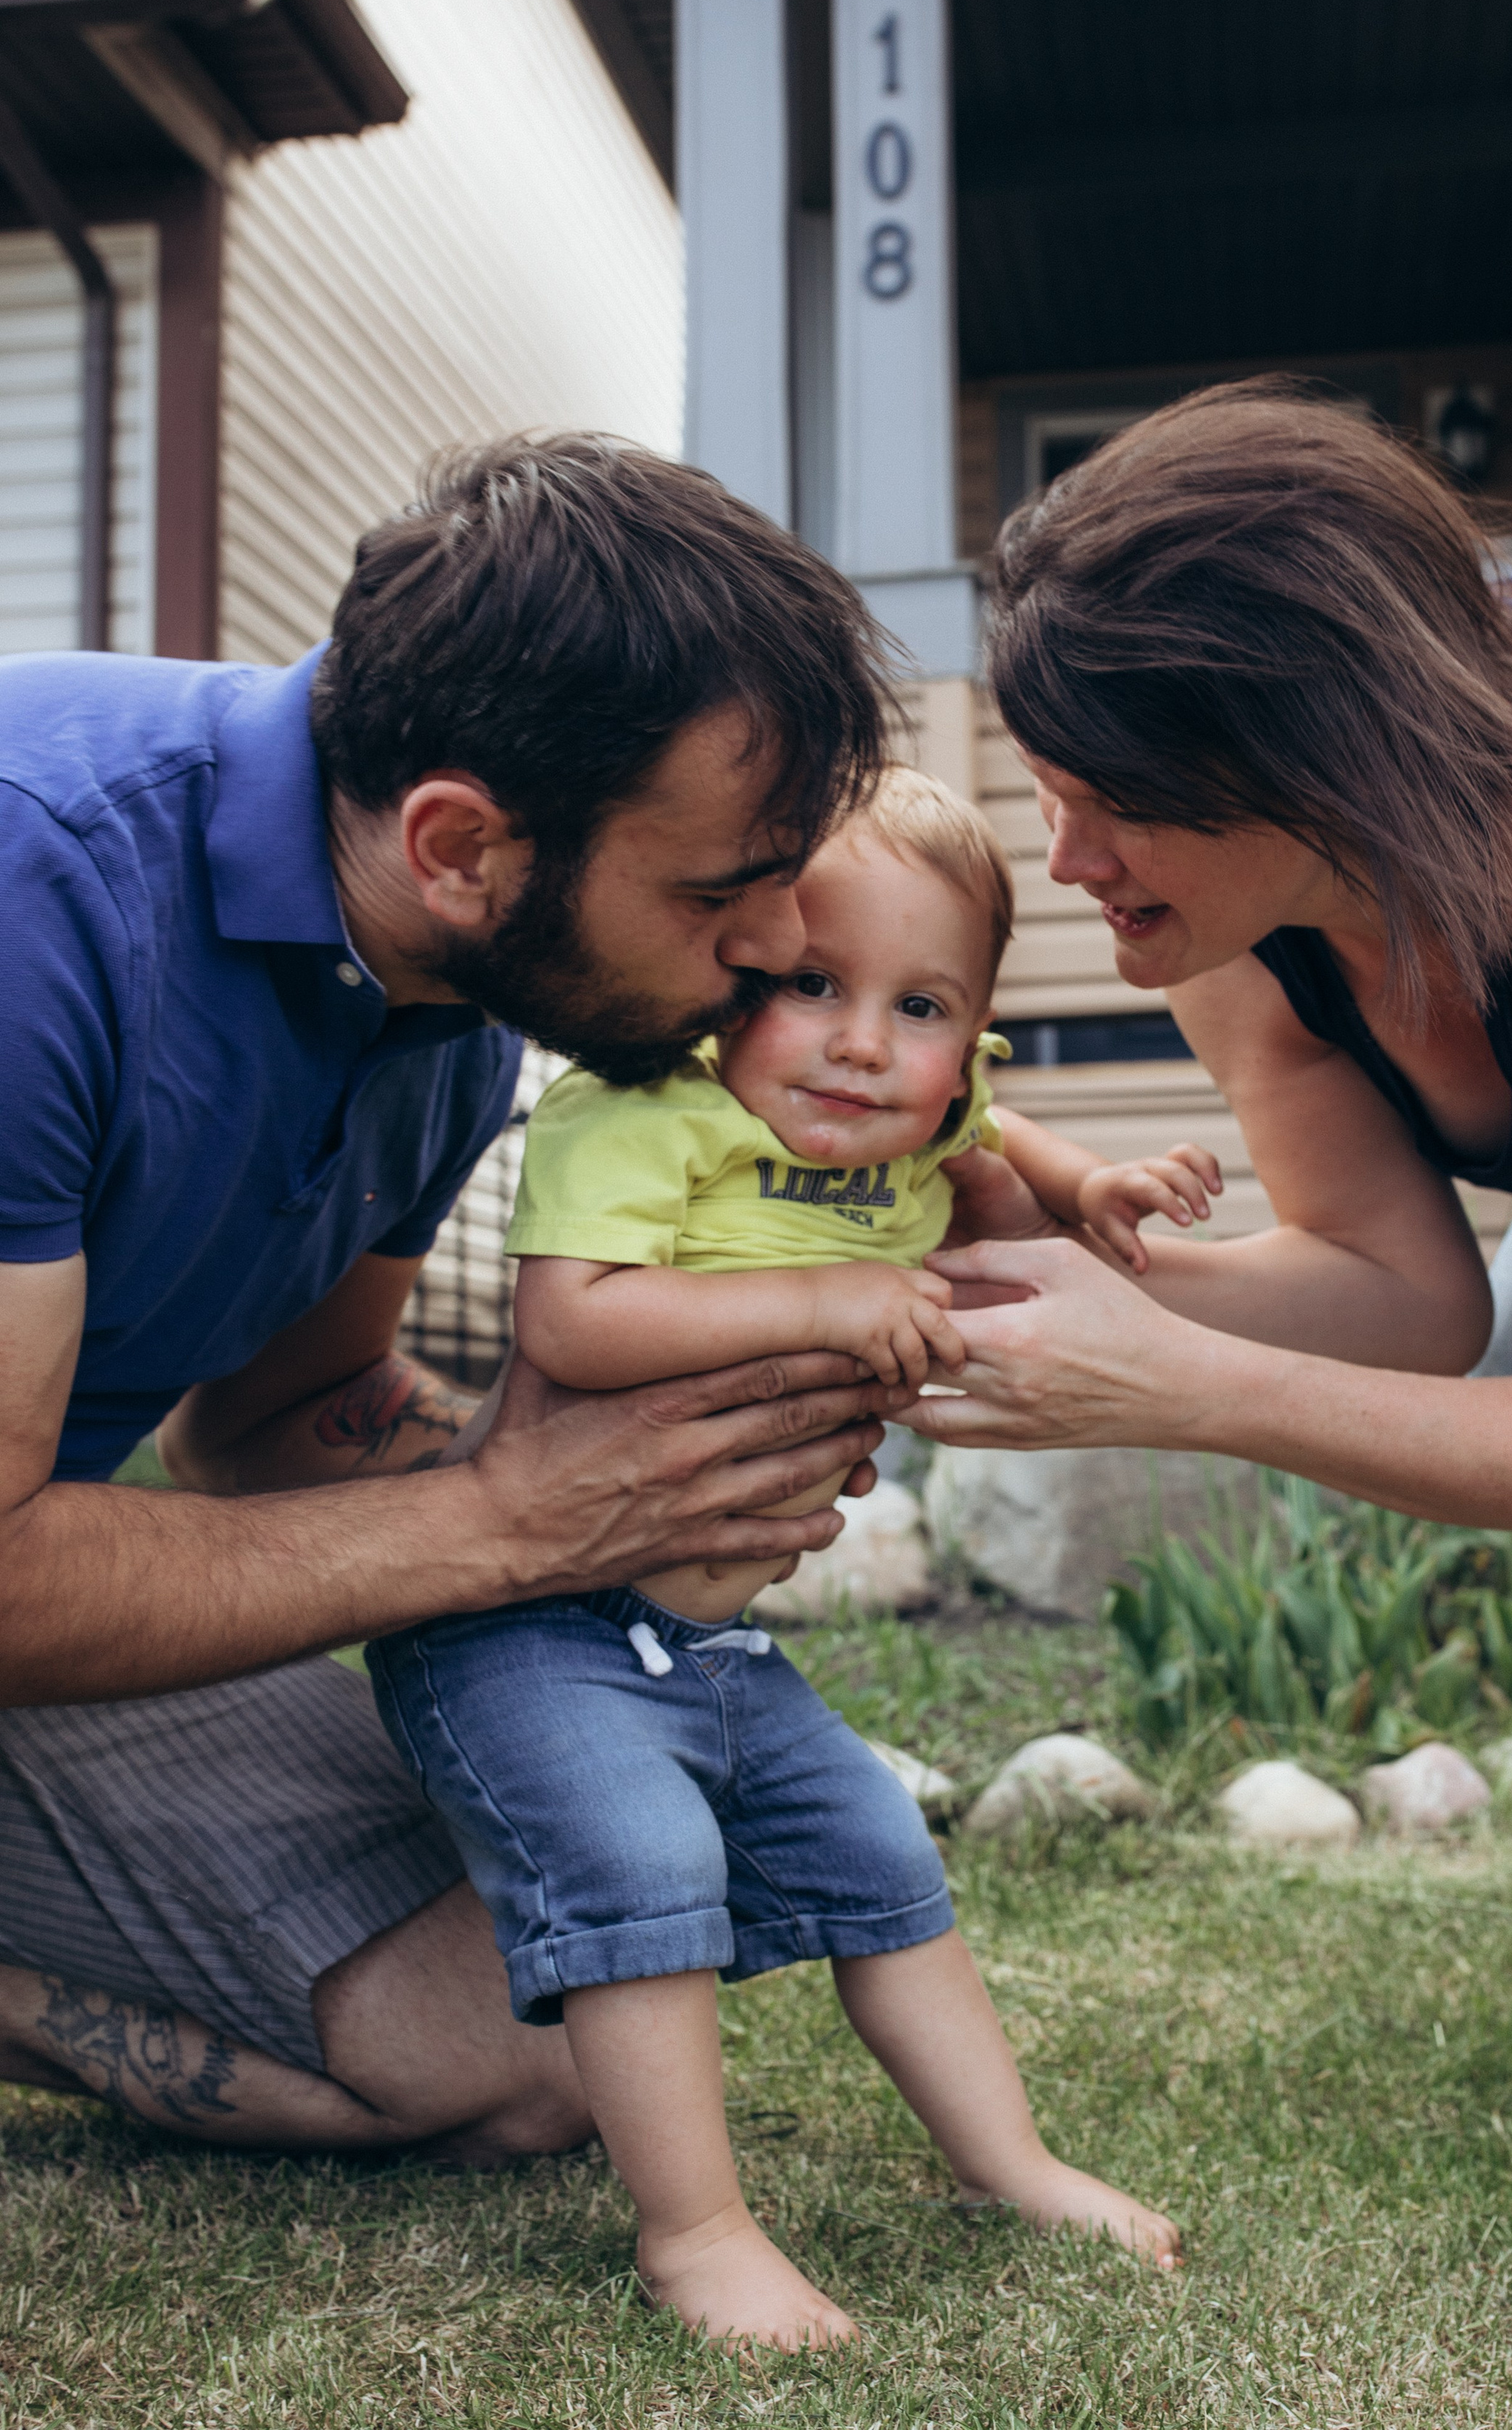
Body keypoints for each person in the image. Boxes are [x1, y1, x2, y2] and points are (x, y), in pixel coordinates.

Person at [898, 376, 1512, 2252]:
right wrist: (1056, 1281)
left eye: (1116, 805)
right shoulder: (1238, 917)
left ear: (1317, 764)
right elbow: (1404, 1299)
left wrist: (1177, 1386)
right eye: (1054, 788)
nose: (1068, 861)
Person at [0, 435, 909, 2165]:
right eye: (717, 890)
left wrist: (643, 1472)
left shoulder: (455, 1005)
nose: (782, 943)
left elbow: (274, 1424)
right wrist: (508, 1521)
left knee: (542, 2031)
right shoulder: (34, 894)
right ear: (459, 842)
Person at [370, 768, 1194, 2346]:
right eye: (812, 984)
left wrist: (1081, 1189)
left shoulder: (918, 1116)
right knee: (644, 1869)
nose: (863, 1042)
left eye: (920, 1004)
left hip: (713, 1647)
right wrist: (825, 1302)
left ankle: (1009, 2162)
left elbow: (986, 1136)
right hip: (527, 1626)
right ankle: (694, 2231)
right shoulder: (646, 1111)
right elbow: (577, 1317)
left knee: (883, 1855)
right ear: (728, 982)